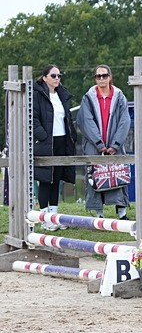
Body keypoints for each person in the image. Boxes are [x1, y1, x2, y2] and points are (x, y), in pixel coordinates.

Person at [77, 64, 131, 219]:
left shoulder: (120, 96)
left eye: (104, 75)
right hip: (95, 146)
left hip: (115, 144)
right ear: (95, 78)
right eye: (98, 76)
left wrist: (115, 144)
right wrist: (99, 143)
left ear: (110, 77)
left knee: (118, 174)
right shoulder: (88, 97)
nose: (101, 79)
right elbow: (86, 120)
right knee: (95, 177)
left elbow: (124, 120)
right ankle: (99, 213)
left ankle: (122, 213)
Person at [31, 65, 77, 226]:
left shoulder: (61, 94)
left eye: (59, 75)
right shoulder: (37, 95)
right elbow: (33, 119)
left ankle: (54, 217)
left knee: (56, 179)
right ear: (44, 78)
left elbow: (67, 118)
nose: (57, 78)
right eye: (53, 75)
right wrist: (43, 136)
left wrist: (71, 135)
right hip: (45, 142)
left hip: (61, 141)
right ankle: (44, 219)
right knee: (46, 179)